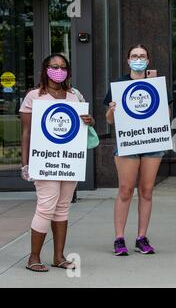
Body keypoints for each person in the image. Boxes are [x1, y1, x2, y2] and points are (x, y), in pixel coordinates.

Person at [20, 53, 95, 272]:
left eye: (63, 67)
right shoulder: (34, 96)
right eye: (54, 66)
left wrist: (90, 120)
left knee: (62, 208)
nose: (58, 70)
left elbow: (85, 124)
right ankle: (33, 257)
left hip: (69, 161)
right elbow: (26, 133)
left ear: (68, 72)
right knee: (46, 206)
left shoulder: (74, 96)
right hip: (44, 161)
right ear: (45, 69)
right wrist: (25, 163)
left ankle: (58, 256)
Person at [105, 44, 170, 256]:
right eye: (134, 56)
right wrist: (112, 111)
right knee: (125, 190)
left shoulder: (156, 84)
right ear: (128, 60)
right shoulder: (119, 84)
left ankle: (142, 237)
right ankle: (119, 238)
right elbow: (109, 120)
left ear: (148, 60)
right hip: (129, 142)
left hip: (152, 141)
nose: (138, 59)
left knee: (147, 190)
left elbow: (166, 115)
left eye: (142, 56)